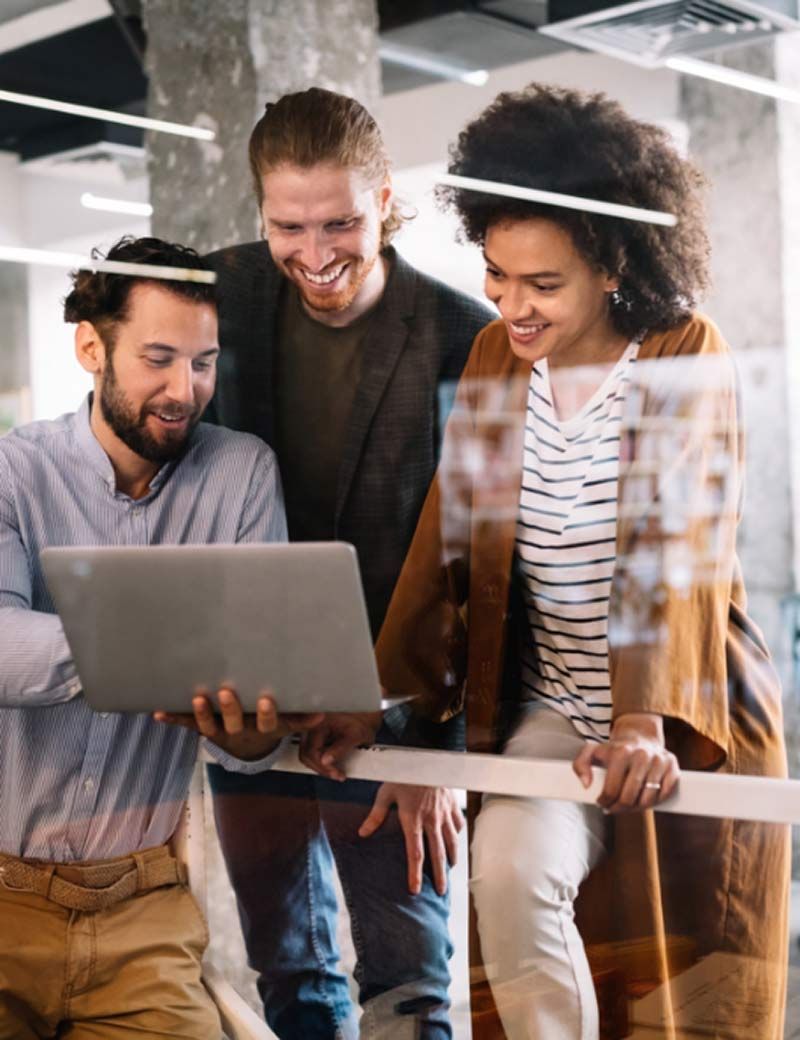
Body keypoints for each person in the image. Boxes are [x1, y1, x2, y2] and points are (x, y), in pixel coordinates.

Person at [306, 84, 790, 1039]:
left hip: (686, 712)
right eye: (496, 274)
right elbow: (453, 538)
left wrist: (644, 717)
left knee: (688, 990)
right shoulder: (495, 357)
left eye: (543, 285)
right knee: (510, 881)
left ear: (613, 266)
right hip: (548, 712)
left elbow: (671, 546)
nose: (511, 305)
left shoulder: (684, 351)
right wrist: (381, 702)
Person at [204, 86, 493, 1039]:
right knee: (290, 976)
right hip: (256, 708)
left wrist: (437, 755)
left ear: (386, 203)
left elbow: (483, 567)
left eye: (342, 222)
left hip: (395, 716)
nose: (316, 253)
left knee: (408, 989)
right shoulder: (222, 296)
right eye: (290, 225)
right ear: (259, 213)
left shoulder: (464, 337)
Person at [0, 236, 321, 1039]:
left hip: (144, 911)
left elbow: (245, 716)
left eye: (204, 362)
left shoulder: (242, 473)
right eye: (158, 358)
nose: (186, 389)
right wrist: (171, 642)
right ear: (90, 348)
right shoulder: (12, 472)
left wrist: (254, 729)